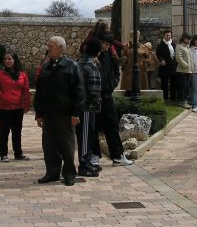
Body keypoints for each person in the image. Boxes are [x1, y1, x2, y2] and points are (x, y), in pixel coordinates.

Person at [34, 36, 85, 186]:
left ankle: (69, 173)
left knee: (66, 145)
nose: (47, 48)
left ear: (61, 48)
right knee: (49, 146)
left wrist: (76, 113)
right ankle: (52, 172)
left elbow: (79, 92)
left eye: (51, 46)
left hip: (66, 114)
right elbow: (40, 92)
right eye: (48, 45)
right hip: (49, 114)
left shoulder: (72, 66)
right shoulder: (45, 67)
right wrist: (38, 113)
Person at [91, 31, 133, 168]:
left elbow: (116, 72)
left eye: (109, 44)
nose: (107, 46)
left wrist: (112, 85)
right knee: (94, 127)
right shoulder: (91, 56)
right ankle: (95, 155)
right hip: (94, 97)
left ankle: (118, 156)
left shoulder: (110, 55)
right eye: (104, 43)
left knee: (112, 126)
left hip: (107, 96)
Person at [0, 49, 31, 162]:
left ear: (14, 60)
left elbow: (25, 90)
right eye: (5, 59)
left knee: (17, 131)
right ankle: (3, 154)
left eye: (10, 59)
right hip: (3, 108)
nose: (7, 61)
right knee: (4, 130)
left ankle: (18, 153)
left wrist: (26, 104)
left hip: (18, 107)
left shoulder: (22, 74)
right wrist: (1, 95)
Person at [76, 38, 102, 177]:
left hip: (82, 106)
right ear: (97, 51)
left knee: (86, 135)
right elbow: (94, 90)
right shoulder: (91, 66)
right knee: (86, 136)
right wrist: (96, 104)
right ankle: (84, 164)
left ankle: (87, 162)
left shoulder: (79, 63)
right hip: (87, 107)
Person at [156, 30, 177, 101]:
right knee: (164, 83)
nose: (168, 37)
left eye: (169, 35)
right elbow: (158, 54)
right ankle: (165, 98)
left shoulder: (173, 44)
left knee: (173, 82)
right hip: (164, 66)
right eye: (167, 35)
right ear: (164, 36)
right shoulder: (161, 45)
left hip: (172, 66)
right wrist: (161, 59)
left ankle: (173, 98)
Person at [175, 32, 193, 108]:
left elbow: (190, 57)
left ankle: (185, 101)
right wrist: (185, 65)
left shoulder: (187, 46)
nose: (189, 40)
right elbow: (178, 58)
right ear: (184, 38)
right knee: (182, 86)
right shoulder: (179, 46)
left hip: (188, 70)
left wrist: (191, 66)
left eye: (189, 39)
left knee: (186, 87)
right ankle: (181, 101)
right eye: (187, 39)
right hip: (182, 70)